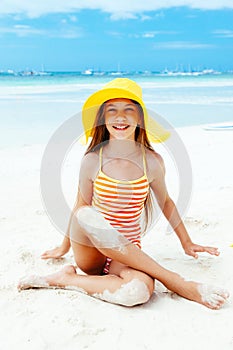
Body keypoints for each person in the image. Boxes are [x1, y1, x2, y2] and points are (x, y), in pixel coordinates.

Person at [18, 78, 229, 309]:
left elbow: (166, 202)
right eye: (112, 110)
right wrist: (64, 247)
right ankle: (176, 281)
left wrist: (187, 243)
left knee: (138, 293)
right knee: (87, 214)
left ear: (139, 118)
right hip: (91, 251)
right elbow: (80, 207)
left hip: (127, 253)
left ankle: (66, 279)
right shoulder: (92, 161)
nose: (121, 117)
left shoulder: (152, 162)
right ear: (103, 119)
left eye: (129, 110)